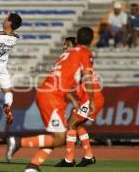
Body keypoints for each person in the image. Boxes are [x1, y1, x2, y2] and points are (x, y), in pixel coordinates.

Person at [6, 27, 96, 172]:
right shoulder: (85, 53)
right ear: (92, 41)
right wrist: (91, 100)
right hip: (53, 96)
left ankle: (33, 166)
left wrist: (72, 99)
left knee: (57, 136)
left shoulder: (65, 55)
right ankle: (18, 142)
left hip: (46, 92)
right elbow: (87, 77)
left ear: (77, 40)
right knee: (61, 137)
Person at [54, 37, 105, 167]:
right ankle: (88, 156)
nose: (64, 47)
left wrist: (91, 101)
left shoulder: (77, 61)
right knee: (77, 126)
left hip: (89, 99)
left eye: (67, 45)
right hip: (85, 99)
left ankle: (69, 159)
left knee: (71, 125)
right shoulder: (74, 60)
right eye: (64, 44)